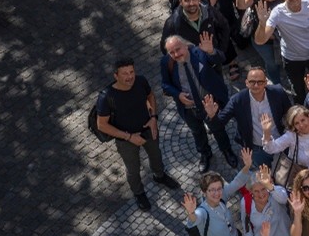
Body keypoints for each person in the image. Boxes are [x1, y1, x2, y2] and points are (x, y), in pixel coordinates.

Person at [96, 57, 180, 210]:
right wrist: (129, 137)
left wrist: (153, 117)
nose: (130, 77)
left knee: (156, 155)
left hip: (147, 129)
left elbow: (151, 96)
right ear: (116, 76)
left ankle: (159, 176)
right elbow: (101, 125)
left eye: (131, 72)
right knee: (133, 168)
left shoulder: (141, 81)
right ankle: (139, 192)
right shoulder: (106, 97)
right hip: (125, 139)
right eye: (125, 74)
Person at [160, 33, 239, 171]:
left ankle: (226, 150)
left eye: (178, 49)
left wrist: (211, 51)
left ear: (186, 45)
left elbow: (221, 58)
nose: (176, 54)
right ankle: (205, 153)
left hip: (208, 104)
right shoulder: (167, 62)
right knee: (197, 131)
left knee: (217, 128)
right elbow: (165, 85)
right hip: (188, 107)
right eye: (171, 52)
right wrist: (178, 94)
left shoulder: (199, 52)